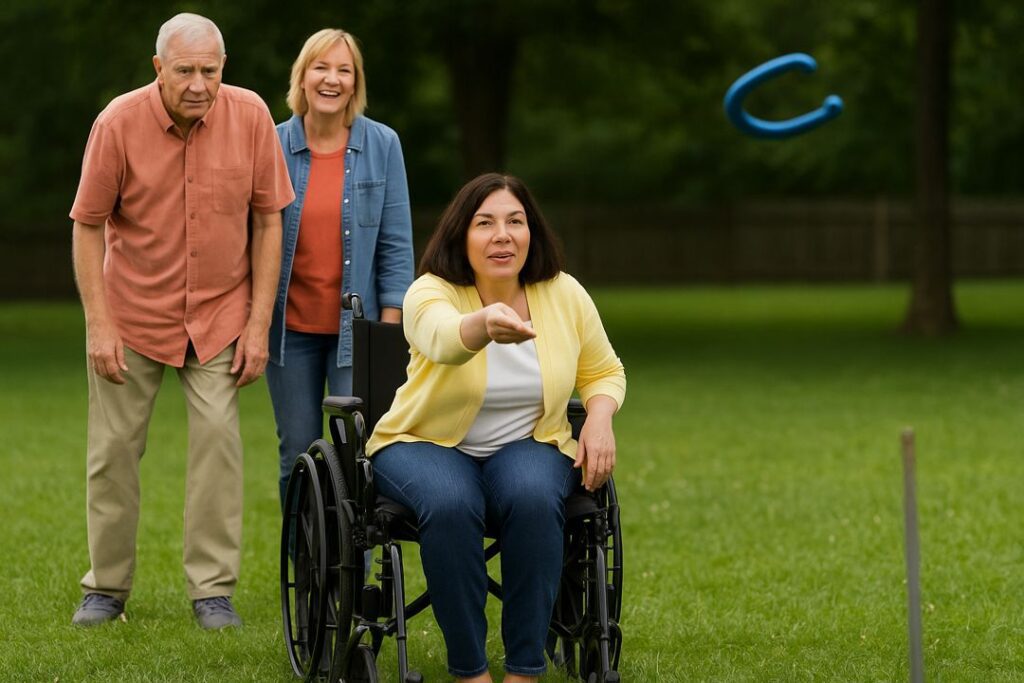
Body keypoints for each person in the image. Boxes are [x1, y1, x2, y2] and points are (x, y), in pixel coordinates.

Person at [68, 13, 294, 630]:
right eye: (186, 70)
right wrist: (98, 324)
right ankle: (106, 588)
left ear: (224, 68)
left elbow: (269, 222)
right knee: (113, 451)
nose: (199, 84)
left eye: (211, 70)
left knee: (219, 448)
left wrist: (256, 324)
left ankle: (212, 592)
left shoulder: (249, 117)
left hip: (221, 316)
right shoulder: (117, 122)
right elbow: (87, 224)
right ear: (158, 68)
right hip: (134, 312)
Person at [366, 173, 626, 682]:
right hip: (421, 441)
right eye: (485, 223)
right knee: (450, 503)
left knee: (533, 499)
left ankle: (525, 670)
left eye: (515, 221)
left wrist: (598, 418)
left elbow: (603, 371)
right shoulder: (430, 291)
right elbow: (441, 339)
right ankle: (471, 671)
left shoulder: (563, 293)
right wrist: (483, 324)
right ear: (462, 235)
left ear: (533, 233)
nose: (502, 235)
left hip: (527, 442)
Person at [267, 28, 414, 506]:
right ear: (303, 77)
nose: (332, 79)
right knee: (298, 456)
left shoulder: (382, 144)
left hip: (360, 332)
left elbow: (396, 245)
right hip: (289, 334)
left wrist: (388, 337)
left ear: (355, 83)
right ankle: (306, 571)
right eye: (321, 67)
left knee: (360, 453)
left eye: (343, 70)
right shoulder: (271, 144)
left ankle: (357, 575)